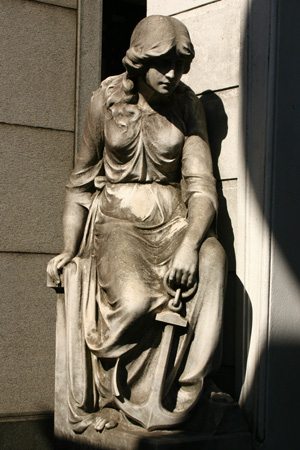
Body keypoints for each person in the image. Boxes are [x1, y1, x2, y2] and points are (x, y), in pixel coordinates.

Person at [47, 15, 227, 433]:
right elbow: (79, 183)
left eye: (180, 66)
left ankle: (184, 392)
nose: (172, 74)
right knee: (132, 302)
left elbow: (202, 189)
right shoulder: (105, 102)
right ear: (137, 61)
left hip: (172, 221)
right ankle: (118, 396)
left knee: (213, 258)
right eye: (163, 63)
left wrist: (190, 244)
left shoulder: (187, 105)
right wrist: (69, 249)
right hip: (118, 220)